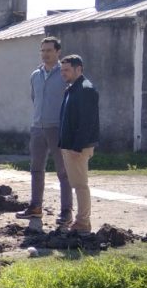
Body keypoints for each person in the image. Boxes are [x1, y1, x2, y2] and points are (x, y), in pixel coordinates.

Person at [16, 36, 72, 224]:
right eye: (43, 50)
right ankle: (35, 207)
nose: (45, 54)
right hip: (37, 128)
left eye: (49, 50)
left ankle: (66, 212)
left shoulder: (64, 74)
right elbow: (35, 99)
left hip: (58, 128)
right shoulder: (35, 75)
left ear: (58, 52)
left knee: (63, 171)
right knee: (36, 169)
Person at [58, 54, 100, 233]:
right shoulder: (73, 89)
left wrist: (77, 147)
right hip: (70, 146)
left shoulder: (85, 89)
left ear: (79, 69)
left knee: (81, 185)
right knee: (76, 184)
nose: (63, 73)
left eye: (67, 70)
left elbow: (87, 122)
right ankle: (81, 221)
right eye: (62, 70)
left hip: (78, 148)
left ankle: (83, 223)